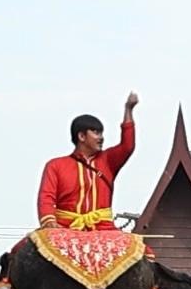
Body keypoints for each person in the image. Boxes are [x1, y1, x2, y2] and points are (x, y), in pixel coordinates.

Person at [36, 92, 138, 229]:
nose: (101, 138)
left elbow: (127, 146)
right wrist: (49, 221)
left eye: (101, 133)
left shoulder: (108, 160)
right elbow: (46, 197)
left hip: (103, 228)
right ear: (82, 136)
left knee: (137, 244)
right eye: (96, 132)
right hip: (65, 227)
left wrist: (128, 110)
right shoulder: (55, 166)